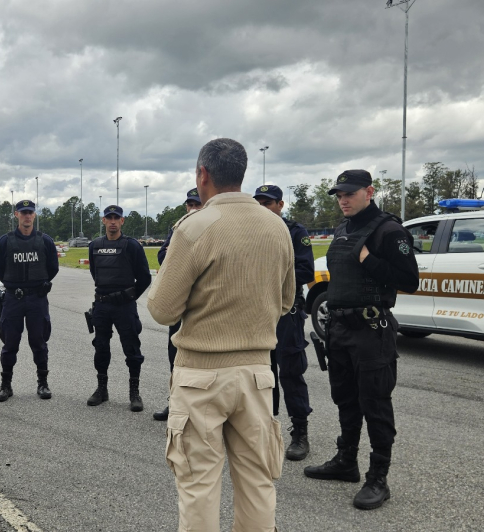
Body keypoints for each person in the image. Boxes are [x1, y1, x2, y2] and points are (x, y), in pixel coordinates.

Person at [147, 138, 295, 532]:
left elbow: (162, 310)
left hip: (202, 376)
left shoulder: (195, 228)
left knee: (198, 487)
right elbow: (286, 300)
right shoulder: (276, 227)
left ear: (203, 175)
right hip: (258, 374)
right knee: (258, 483)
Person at [303, 169, 419, 510]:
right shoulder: (342, 229)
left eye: (349, 193)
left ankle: (378, 479)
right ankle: (346, 461)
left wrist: (368, 259)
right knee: (346, 400)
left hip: (371, 332)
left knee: (376, 405)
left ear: (369, 191)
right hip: (339, 330)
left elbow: (409, 280)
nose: (343, 200)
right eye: (339, 195)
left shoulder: (389, 230)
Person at [253, 184, 316, 461]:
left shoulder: (295, 232)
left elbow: (305, 270)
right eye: (259, 203)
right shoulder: (250, 231)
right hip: (258, 313)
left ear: (280, 205)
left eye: (268, 203)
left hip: (286, 313)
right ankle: (265, 427)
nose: (262, 208)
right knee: (261, 375)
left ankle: (299, 432)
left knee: (290, 372)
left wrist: (270, 275)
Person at [0, 200, 60, 402]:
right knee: (10, 343)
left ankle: (43, 384)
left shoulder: (45, 240)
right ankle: (6, 386)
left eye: (30, 212)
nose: (27, 216)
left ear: (35, 215)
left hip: (37, 299)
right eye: (23, 213)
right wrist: (13, 285)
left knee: (39, 342)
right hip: (14, 298)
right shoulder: (6, 241)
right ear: (16, 215)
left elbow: (53, 268)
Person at [86, 205, 152, 411]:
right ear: (103, 220)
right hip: (103, 306)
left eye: (117, 218)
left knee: (132, 349)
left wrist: (129, 296)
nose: (113, 221)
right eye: (109, 218)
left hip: (125, 306)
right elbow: (95, 273)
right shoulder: (95, 245)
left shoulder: (132, 246)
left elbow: (144, 278)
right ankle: (101, 389)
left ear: (122, 221)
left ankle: (134, 393)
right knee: (101, 348)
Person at [152, 187, 202, 421]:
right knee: (175, 356)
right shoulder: (178, 229)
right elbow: (163, 256)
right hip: (180, 304)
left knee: (202, 360)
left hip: (202, 307)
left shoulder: (212, 228)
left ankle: (200, 408)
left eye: (197, 204)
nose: (193, 209)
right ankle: (175, 403)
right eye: (190, 205)